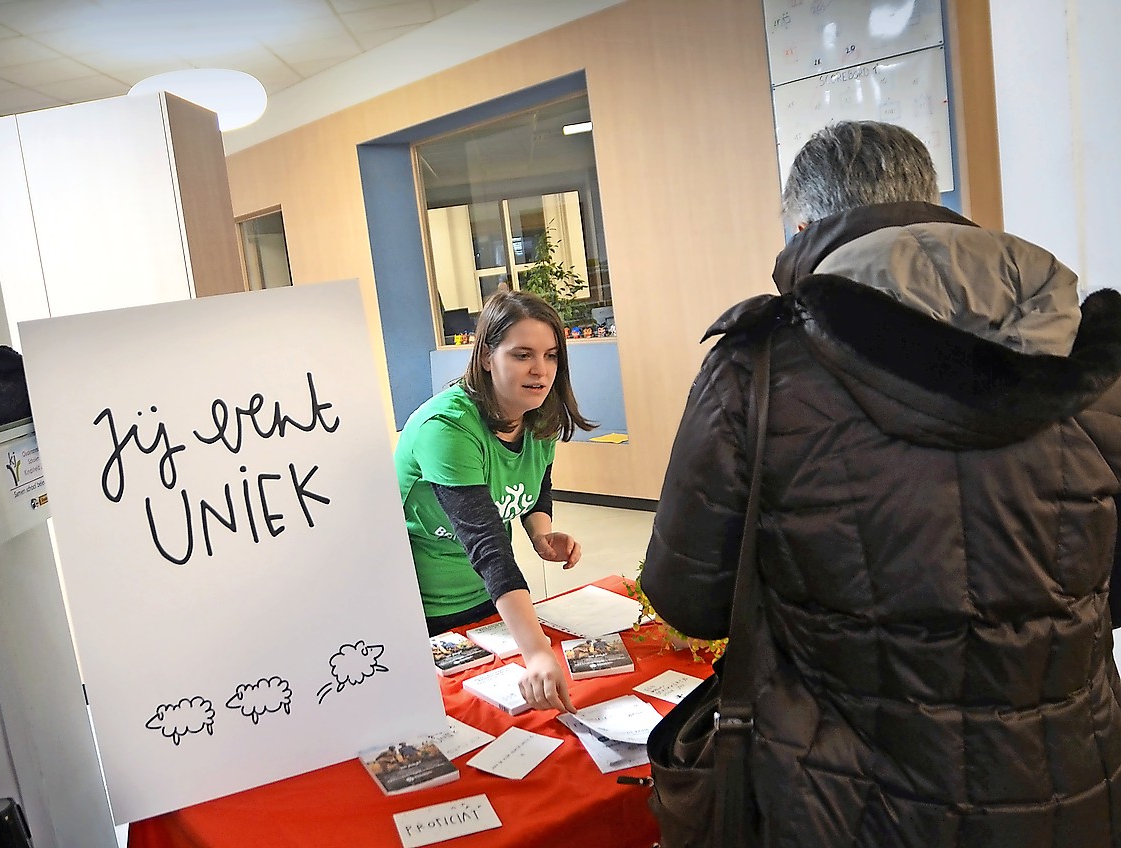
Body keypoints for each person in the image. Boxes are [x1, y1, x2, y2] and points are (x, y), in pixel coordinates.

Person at [642, 120, 1121, 846]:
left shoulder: (759, 368)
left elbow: (691, 600)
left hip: (840, 801)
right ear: (929, 202)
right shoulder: (1090, 358)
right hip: (1068, 787)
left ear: (804, 225)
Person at [396, 290, 595, 713]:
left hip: (487, 602)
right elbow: (487, 545)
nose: (541, 371)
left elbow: (536, 478)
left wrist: (541, 531)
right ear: (487, 356)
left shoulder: (537, 413)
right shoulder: (446, 428)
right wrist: (538, 652)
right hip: (417, 610)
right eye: (522, 354)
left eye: (551, 356)